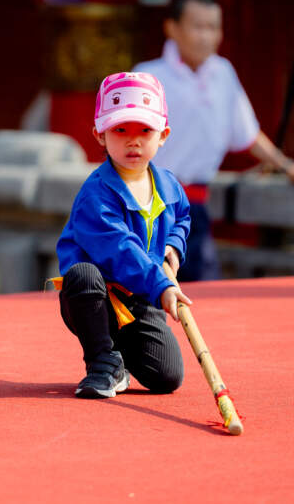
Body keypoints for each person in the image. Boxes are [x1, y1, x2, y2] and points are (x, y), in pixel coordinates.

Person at [134, 0, 294, 281]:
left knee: (202, 290)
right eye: (197, 26)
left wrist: (289, 168)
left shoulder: (223, 73)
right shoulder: (146, 77)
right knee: (145, 292)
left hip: (193, 208)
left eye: (213, 27)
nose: (206, 36)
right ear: (172, 28)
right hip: (147, 207)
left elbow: (247, 134)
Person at [55, 72, 192, 399]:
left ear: (163, 135)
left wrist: (173, 247)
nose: (133, 141)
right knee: (82, 275)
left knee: (166, 376)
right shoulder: (96, 195)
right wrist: (160, 285)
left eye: (145, 130)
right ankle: (102, 360)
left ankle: (120, 354)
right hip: (97, 295)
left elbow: (182, 219)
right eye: (120, 130)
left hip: (140, 294)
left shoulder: (168, 185)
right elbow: (119, 248)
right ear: (100, 135)